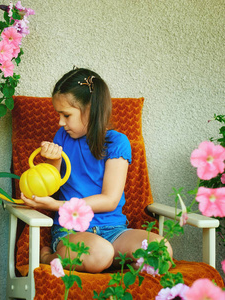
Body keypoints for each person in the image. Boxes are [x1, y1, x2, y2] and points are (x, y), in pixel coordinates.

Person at [20, 67, 173, 273]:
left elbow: (109, 199)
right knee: (100, 253)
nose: (60, 122)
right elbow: (50, 187)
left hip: (114, 231)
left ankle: (109, 259)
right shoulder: (62, 137)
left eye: (66, 115)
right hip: (72, 232)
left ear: (90, 108)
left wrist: (57, 205)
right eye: (59, 115)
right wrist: (52, 161)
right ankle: (50, 257)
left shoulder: (117, 142)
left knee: (161, 250)